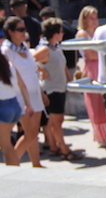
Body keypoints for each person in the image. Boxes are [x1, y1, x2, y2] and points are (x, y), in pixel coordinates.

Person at [2, 16, 47, 167]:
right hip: (20, 96)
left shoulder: (24, 47)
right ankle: (13, 162)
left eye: (25, 29)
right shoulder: (6, 50)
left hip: (35, 93)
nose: (24, 33)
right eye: (20, 30)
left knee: (34, 132)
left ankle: (36, 164)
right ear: (11, 32)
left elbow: (33, 71)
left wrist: (41, 92)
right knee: (30, 133)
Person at [34, 18, 81, 161]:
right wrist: (41, 70)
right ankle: (64, 149)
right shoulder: (44, 49)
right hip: (51, 89)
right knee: (57, 120)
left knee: (53, 121)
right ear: (54, 33)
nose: (62, 34)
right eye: (60, 31)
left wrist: (70, 81)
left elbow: (63, 65)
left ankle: (54, 146)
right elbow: (29, 61)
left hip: (60, 87)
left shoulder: (56, 47)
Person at [75, 5, 106, 147]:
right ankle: (101, 135)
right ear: (84, 19)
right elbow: (90, 54)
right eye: (91, 18)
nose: (94, 21)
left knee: (105, 101)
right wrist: (104, 53)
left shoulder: (97, 31)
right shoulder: (82, 34)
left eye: (96, 18)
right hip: (91, 67)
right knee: (95, 102)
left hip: (101, 64)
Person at [0, 44, 19, 165]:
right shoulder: (9, 65)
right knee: (7, 145)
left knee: (6, 146)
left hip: (3, 106)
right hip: (14, 105)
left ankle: (15, 171)